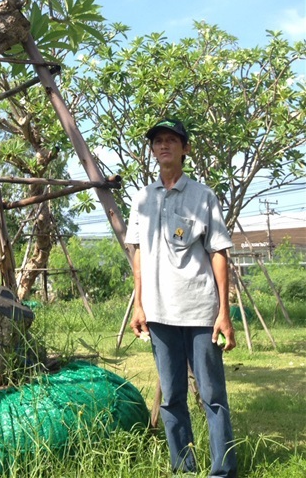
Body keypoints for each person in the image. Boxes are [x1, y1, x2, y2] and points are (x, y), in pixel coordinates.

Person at [125, 117, 237, 478]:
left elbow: (219, 252)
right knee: (172, 398)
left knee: (212, 397)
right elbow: (138, 254)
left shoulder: (203, 196)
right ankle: (184, 470)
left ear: (185, 149)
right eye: (158, 141)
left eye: (172, 140)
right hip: (159, 314)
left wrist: (224, 312)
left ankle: (223, 472)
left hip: (201, 312)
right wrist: (139, 304)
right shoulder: (142, 199)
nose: (163, 146)